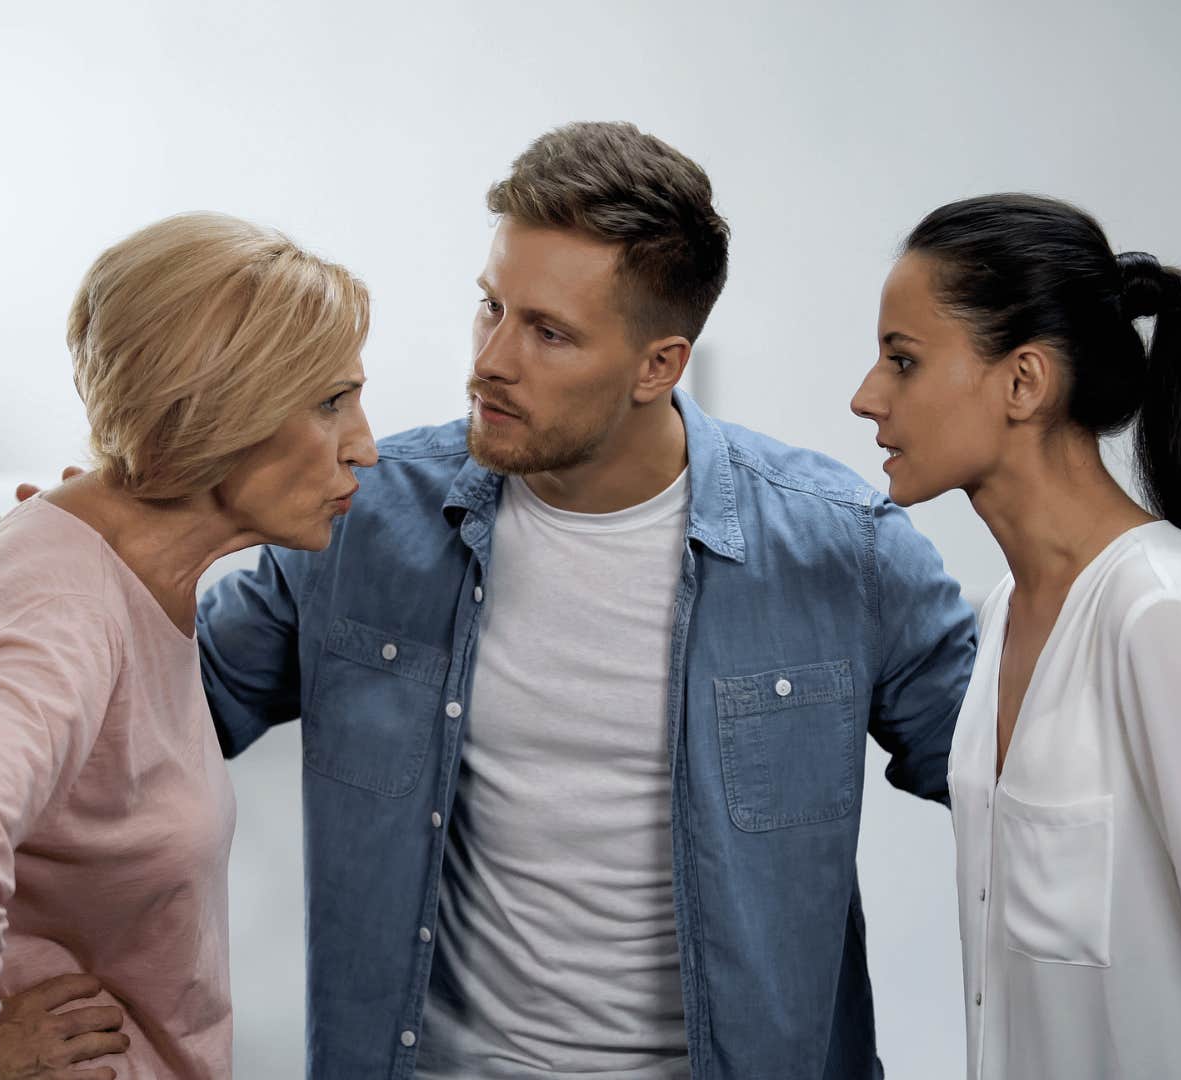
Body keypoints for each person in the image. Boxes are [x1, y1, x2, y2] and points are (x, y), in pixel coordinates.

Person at [192, 122, 978, 1077]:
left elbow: (1030, 798)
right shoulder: (363, 517)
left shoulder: (842, 551)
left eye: (549, 333)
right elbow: (155, 718)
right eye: (492, 307)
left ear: (660, 364)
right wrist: (79, 567)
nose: (493, 359)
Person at [0, 212, 376, 1080]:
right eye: (331, 401)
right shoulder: (59, 618)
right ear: (223, 411)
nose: (363, 446)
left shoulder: (102, 568)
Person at [851, 193, 1181, 1078]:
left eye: (903, 361)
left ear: (1025, 381)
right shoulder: (1005, 612)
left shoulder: (1165, 617)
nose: (867, 398)